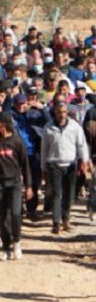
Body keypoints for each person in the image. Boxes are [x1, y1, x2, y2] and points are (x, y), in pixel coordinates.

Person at [41, 101, 91, 234]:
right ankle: (56, 223)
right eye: (59, 112)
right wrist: (43, 168)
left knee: (69, 194)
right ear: (55, 113)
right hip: (54, 164)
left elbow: (82, 145)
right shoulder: (48, 127)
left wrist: (85, 160)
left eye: (64, 112)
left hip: (70, 164)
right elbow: (44, 149)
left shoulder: (75, 127)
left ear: (67, 112)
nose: (62, 115)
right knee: (57, 193)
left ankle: (66, 219)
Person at [0, 112, 32, 261]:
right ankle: (6, 247)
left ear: (4, 124)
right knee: (2, 217)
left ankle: (17, 242)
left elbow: (25, 165)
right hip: (0, 184)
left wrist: (29, 186)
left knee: (15, 213)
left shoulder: (17, 142)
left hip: (15, 183)